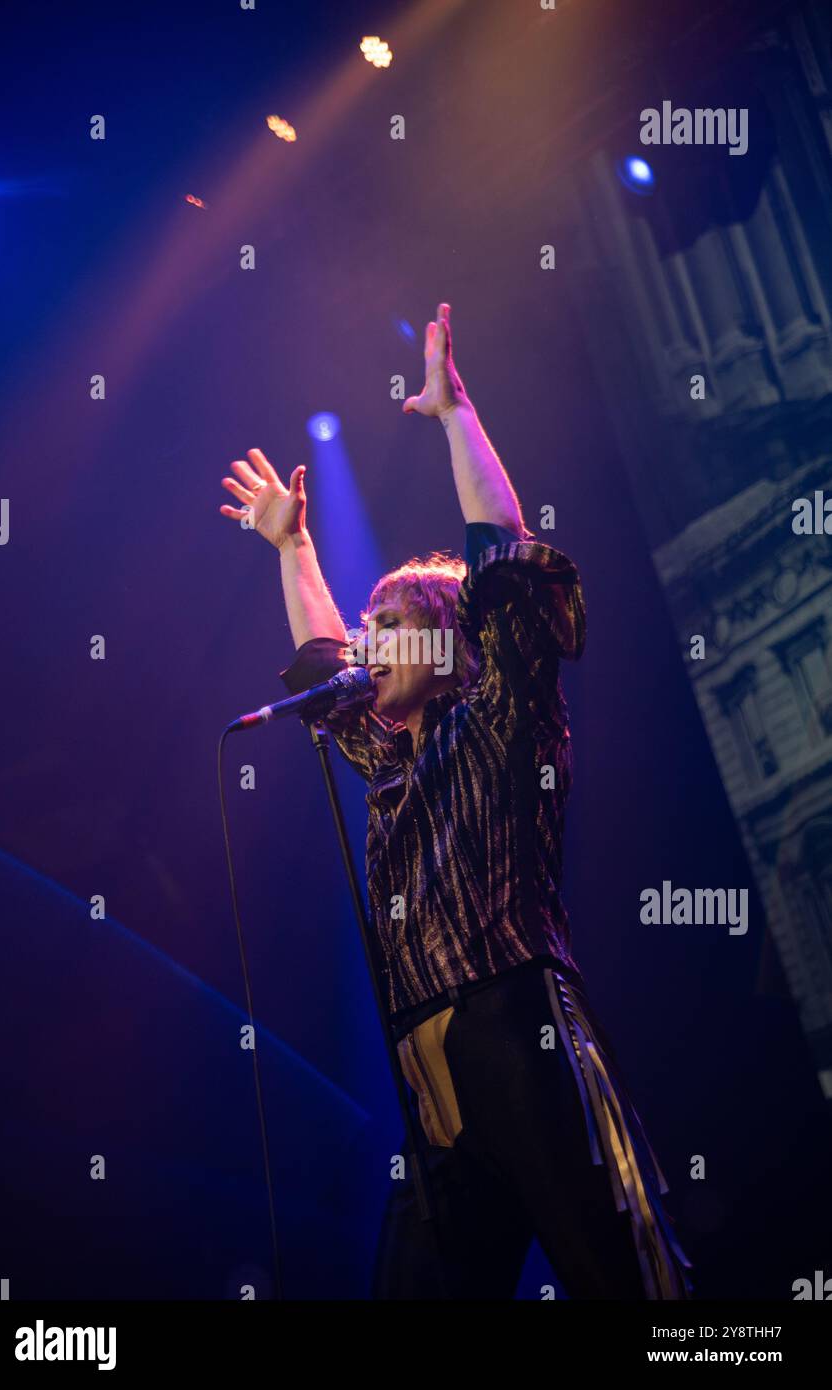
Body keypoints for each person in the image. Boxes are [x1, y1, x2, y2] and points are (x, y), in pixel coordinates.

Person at [218, 303, 694, 1300]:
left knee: (623, 1281)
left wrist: (454, 415)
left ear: (449, 649)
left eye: (393, 624)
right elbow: (322, 658)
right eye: (371, 622)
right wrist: (290, 548)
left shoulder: (501, 720)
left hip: (521, 1041)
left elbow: (502, 557)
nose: (370, 640)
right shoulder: (390, 765)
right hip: (433, 1108)